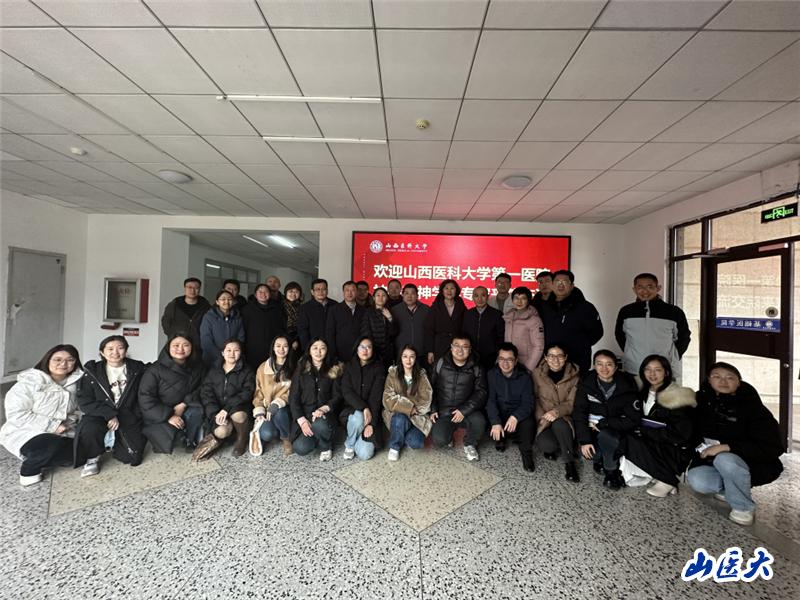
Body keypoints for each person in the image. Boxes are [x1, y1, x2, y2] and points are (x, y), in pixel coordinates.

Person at [687, 362, 784, 526]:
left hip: (751, 463)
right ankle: (729, 488)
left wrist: (727, 447)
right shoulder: (700, 402)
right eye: (717, 377)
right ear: (709, 380)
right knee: (698, 480)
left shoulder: (753, 407)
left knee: (725, 459)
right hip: (710, 461)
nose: (723, 381)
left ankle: (743, 507)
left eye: (730, 377)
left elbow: (772, 446)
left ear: (739, 382)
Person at [0, 345, 83, 487]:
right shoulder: (28, 383)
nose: (63, 364)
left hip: (64, 431)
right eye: (57, 359)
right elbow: (17, 415)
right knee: (49, 444)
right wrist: (53, 426)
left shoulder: (76, 384)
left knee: (81, 453)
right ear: (47, 360)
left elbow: (77, 410)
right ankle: (29, 470)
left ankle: (47, 456)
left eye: (70, 360)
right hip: (26, 431)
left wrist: (70, 424)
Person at [621, 355, 696, 496]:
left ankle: (667, 480)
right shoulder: (639, 393)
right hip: (649, 441)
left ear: (666, 372)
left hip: (671, 447)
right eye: (648, 369)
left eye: (657, 370)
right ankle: (660, 475)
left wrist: (645, 431)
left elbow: (680, 434)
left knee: (630, 440)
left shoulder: (677, 396)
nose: (652, 374)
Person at [75, 336, 147, 477]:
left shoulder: (137, 368)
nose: (115, 352)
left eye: (120, 348)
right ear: (102, 352)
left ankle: (114, 444)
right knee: (90, 427)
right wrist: (109, 414)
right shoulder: (92, 371)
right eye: (110, 349)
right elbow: (84, 401)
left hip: (127, 412)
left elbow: (143, 393)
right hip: (100, 412)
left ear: (126, 350)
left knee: (132, 457)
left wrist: (137, 413)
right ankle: (92, 458)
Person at [573, 349, 639, 490]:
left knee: (607, 436)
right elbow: (579, 413)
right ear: (594, 366)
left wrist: (606, 423)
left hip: (616, 429)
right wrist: (584, 440)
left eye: (609, 364)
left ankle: (611, 472)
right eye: (599, 364)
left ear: (615, 367)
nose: (604, 368)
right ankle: (599, 459)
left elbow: (633, 419)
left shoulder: (627, 385)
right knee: (592, 453)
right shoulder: (586, 383)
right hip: (591, 430)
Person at [614, 272, 691, 380]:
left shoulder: (674, 312)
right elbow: (620, 335)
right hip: (634, 369)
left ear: (658, 288)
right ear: (634, 289)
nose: (645, 291)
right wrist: (629, 353)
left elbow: (684, 337)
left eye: (650, 287)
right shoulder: (626, 311)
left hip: (664, 369)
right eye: (640, 287)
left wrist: (674, 357)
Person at [138, 333, 204, 454]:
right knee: (172, 438)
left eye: (186, 345)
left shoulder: (198, 366)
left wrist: (184, 404)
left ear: (192, 347)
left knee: (196, 411)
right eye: (176, 345)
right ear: (168, 347)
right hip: (161, 411)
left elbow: (202, 388)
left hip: (186, 406)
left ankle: (190, 440)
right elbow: (145, 397)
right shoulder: (155, 369)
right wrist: (169, 416)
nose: (180, 349)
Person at [194, 339, 255, 460]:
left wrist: (226, 409)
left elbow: (246, 393)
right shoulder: (214, 370)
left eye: (236, 350)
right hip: (218, 411)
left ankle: (242, 438)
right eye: (228, 350)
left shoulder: (247, 370)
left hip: (238, 407)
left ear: (241, 353)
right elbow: (206, 393)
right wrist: (215, 413)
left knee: (238, 415)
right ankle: (227, 435)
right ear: (222, 353)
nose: (232, 353)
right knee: (222, 431)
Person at [430, 334, 487, 461]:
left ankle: (470, 444)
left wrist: (464, 410)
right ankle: (449, 437)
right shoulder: (440, 363)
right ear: (451, 348)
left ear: (470, 349)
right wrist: (433, 409)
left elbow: (481, 392)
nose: (460, 350)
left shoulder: (477, 367)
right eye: (456, 345)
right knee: (439, 440)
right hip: (445, 410)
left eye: (465, 346)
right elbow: (430, 387)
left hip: (467, 410)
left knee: (480, 421)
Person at [532, 343, 580, 482]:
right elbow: (534, 398)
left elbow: (572, 402)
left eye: (559, 356)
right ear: (546, 357)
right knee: (548, 446)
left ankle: (569, 463)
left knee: (560, 424)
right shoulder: (537, 373)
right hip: (544, 418)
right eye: (551, 356)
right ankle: (564, 442)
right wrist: (543, 416)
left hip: (564, 417)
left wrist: (556, 412)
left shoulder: (575, 375)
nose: (555, 360)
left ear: (565, 357)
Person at [288, 338, 343, 460]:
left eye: (322, 348)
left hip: (325, 415)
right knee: (300, 448)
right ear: (309, 350)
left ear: (327, 351)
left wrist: (324, 408)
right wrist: (302, 421)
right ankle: (319, 437)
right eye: (315, 348)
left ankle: (326, 446)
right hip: (306, 415)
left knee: (320, 424)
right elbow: (293, 397)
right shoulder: (301, 369)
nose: (319, 352)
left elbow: (337, 396)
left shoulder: (334, 369)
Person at [540, 270, 603, 373]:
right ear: (552, 285)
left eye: (564, 281)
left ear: (572, 286)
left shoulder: (585, 307)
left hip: (577, 362)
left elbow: (597, 332)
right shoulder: (544, 307)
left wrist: (581, 345)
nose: (560, 284)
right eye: (557, 281)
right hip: (551, 362)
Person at [487, 343, 536, 472]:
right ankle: (501, 439)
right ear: (498, 360)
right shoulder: (492, 374)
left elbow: (528, 403)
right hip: (501, 412)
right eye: (501, 359)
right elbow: (491, 400)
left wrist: (515, 417)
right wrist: (495, 422)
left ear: (516, 361)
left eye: (509, 359)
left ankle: (526, 453)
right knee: (489, 418)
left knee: (529, 423)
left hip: (516, 414)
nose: (505, 363)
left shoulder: (525, 377)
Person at [383, 345, 433, 461]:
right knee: (400, 418)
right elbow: (387, 398)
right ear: (400, 358)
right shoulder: (393, 374)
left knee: (416, 443)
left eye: (412, 357)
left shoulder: (421, 375)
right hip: (398, 415)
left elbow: (426, 399)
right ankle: (394, 447)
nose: (408, 360)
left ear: (415, 359)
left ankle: (399, 433)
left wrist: (402, 402)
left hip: (417, 416)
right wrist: (409, 408)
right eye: (405, 356)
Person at [340, 337, 386, 461]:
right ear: (356, 349)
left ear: (373, 350)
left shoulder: (378, 368)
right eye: (362, 347)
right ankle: (350, 444)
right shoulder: (349, 366)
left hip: (373, 414)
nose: (365, 350)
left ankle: (357, 436)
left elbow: (376, 398)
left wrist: (371, 423)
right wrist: (364, 408)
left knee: (365, 454)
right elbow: (346, 391)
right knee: (358, 417)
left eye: (369, 347)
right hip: (352, 412)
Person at [253, 335, 296, 456]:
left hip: (286, 408)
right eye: (278, 346)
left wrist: (277, 404)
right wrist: (260, 411)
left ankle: (286, 438)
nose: (281, 349)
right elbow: (258, 393)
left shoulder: (294, 367)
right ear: (273, 348)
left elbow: (294, 392)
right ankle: (276, 429)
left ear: (289, 348)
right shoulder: (263, 368)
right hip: (267, 410)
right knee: (267, 434)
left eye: (285, 346)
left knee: (280, 412)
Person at [241, 283, 286, 371]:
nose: (263, 294)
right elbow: (243, 329)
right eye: (260, 292)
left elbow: (282, 327)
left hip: (272, 347)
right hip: (253, 348)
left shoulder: (277, 309)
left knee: (271, 371)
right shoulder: (247, 309)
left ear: (270, 294)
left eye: (266, 292)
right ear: (255, 295)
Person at [160, 277, 211, 351]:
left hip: (199, 345)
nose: (192, 290)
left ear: (199, 289)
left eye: (196, 288)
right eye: (189, 287)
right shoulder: (175, 304)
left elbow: (210, 324)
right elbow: (165, 321)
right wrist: (172, 335)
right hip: (178, 344)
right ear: (185, 288)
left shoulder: (206, 306)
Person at [502, 286, 545, 373]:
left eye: (523, 298)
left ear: (528, 300)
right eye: (516, 298)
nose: (519, 301)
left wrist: (528, 368)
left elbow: (539, 347)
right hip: (509, 363)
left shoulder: (534, 320)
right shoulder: (508, 317)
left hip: (525, 364)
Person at [199, 289, 245, 370]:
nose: (226, 301)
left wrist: (232, 353)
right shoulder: (209, 317)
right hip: (211, 358)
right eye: (223, 299)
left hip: (232, 358)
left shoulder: (238, 317)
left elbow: (241, 338)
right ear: (217, 302)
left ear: (233, 302)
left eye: (229, 299)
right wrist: (221, 356)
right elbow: (206, 340)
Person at [462, 285, 504, 372]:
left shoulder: (497, 314)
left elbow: (501, 336)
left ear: (488, 297)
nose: (480, 299)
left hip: (490, 357)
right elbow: (463, 334)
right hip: (470, 355)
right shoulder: (467, 314)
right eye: (476, 296)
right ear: (472, 298)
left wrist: (497, 352)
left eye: (483, 295)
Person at [425, 279, 467, 365]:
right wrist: (430, 351)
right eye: (446, 288)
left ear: (456, 291)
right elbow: (429, 330)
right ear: (442, 291)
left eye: (452, 288)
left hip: (457, 346)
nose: (449, 291)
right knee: (440, 369)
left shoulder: (461, 306)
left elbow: (466, 328)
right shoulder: (435, 307)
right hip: (439, 345)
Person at [326, 280, 367, 363]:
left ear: (357, 292)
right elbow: (330, 333)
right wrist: (333, 354)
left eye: (352, 290)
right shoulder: (334, 309)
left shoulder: (364, 310)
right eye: (347, 290)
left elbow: (365, 331)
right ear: (343, 292)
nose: (350, 293)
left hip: (359, 351)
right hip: (340, 352)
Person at [360, 286, 398, 370]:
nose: (380, 298)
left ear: (387, 298)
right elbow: (365, 333)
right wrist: (372, 348)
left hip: (388, 353)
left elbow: (394, 333)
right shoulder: (368, 312)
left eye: (383, 295)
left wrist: (390, 318)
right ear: (373, 298)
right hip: (373, 351)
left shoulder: (390, 311)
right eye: (378, 295)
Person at [391, 283, 430, 358]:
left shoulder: (426, 310)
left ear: (417, 295)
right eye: (406, 293)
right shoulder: (395, 310)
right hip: (402, 352)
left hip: (421, 352)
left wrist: (429, 350)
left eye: (412, 293)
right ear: (402, 295)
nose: (409, 296)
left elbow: (430, 331)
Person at [298, 278, 336, 351]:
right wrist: (307, 349)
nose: (321, 292)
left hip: (332, 347)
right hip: (314, 348)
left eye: (323, 289)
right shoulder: (305, 308)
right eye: (317, 289)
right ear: (312, 292)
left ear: (327, 291)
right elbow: (303, 331)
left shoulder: (335, 305)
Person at [283, 281, 303, 353]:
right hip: (284, 339)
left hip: (299, 338)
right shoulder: (280, 306)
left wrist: (296, 339)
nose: (293, 294)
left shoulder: (303, 307)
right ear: (285, 293)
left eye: (296, 292)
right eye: (290, 291)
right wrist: (291, 340)